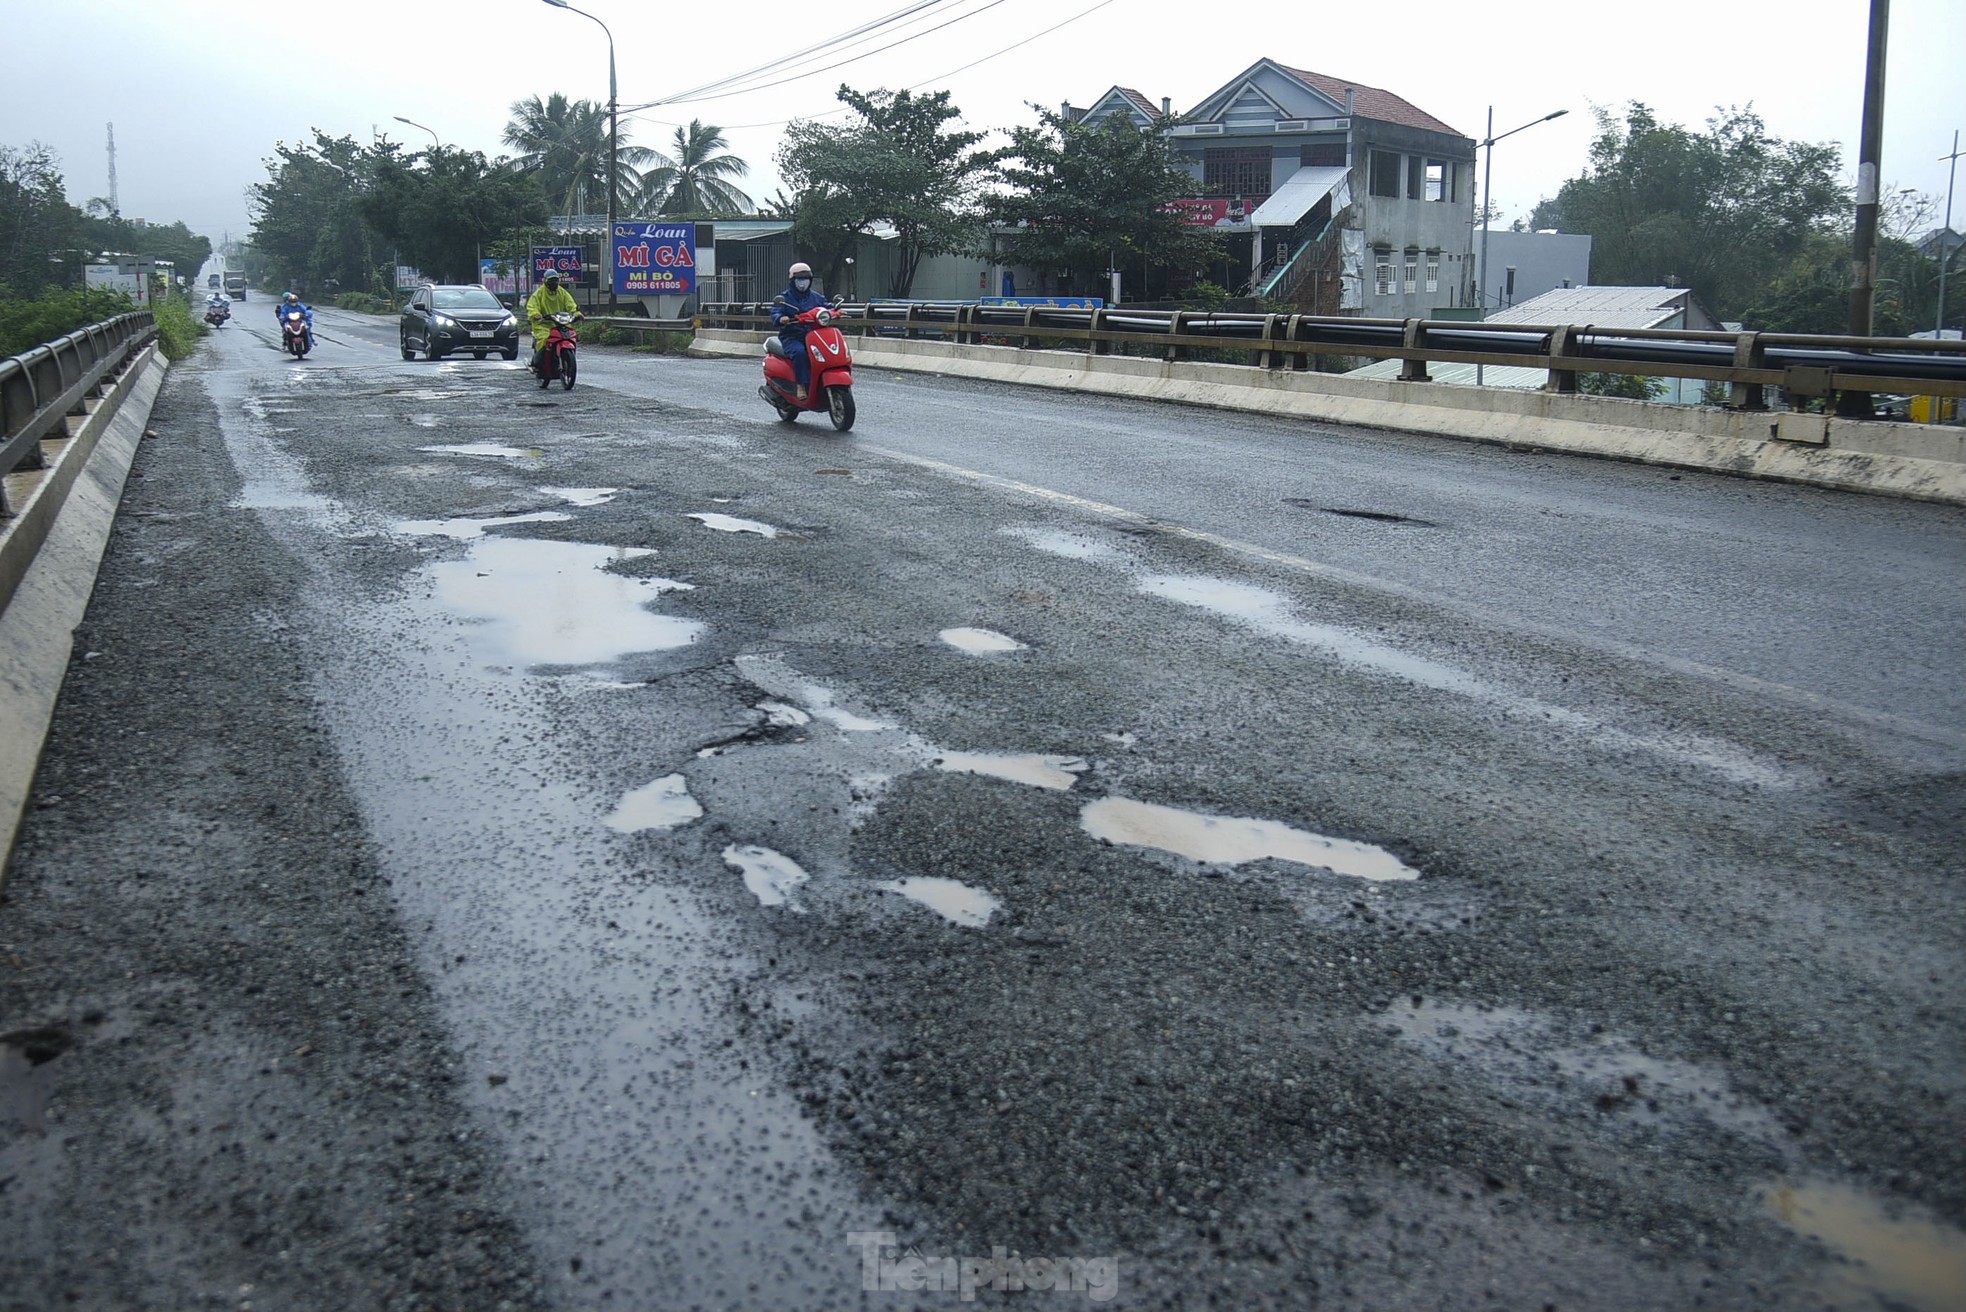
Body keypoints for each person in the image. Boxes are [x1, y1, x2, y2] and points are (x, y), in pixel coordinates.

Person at [769, 262, 827, 400]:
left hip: (814, 335)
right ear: (792, 280)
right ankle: (801, 385)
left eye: (806, 278)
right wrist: (781, 318)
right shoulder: (785, 298)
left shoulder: (817, 297)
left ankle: (821, 383)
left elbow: (826, 307)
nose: (803, 282)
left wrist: (836, 311)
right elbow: (776, 312)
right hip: (792, 336)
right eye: (799, 279)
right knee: (800, 353)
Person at [525, 269, 580, 375]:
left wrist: (576, 314)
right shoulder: (539, 294)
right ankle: (537, 363)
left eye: (555, 280)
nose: (553, 283)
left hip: (561, 323)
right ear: (545, 281)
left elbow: (571, 305)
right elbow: (532, 306)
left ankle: (566, 361)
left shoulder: (562, 292)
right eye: (551, 280)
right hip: (543, 325)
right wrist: (536, 314)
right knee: (545, 340)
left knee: (571, 336)